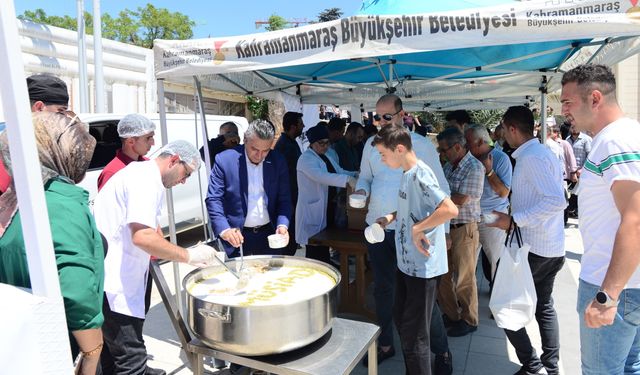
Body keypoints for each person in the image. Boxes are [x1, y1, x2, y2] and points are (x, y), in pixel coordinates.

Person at [94, 140, 220, 375]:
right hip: (114, 286)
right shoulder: (145, 181)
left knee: (112, 356)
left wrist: (175, 249)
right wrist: (188, 255)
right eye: (186, 174)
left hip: (110, 279)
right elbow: (142, 237)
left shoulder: (140, 174)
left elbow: (152, 232)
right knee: (131, 360)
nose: (184, 181)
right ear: (173, 160)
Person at [0, 111, 104, 374]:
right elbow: (75, 287)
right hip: (51, 340)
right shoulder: (59, 203)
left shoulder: (13, 198)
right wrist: (92, 353)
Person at [354, 94, 450, 366]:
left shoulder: (419, 146)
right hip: (379, 227)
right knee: (384, 290)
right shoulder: (370, 146)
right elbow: (366, 176)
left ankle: (441, 351)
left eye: (387, 117)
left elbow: (441, 192)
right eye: (376, 117)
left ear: (401, 115)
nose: (381, 122)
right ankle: (386, 344)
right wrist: (362, 189)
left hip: (412, 234)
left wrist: (442, 233)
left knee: (419, 299)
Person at [560, 64, 640, 374]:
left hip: (614, 286)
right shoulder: (623, 135)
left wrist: (607, 295)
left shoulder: (615, 141)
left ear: (595, 98)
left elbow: (634, 220)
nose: (563, 110)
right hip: (626, 285)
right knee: (629, 367)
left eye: (568, 101)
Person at [372, 124, 458, 375]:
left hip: (423, 267)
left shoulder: (421, 174)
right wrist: (390, 217)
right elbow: (414, 208)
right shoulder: (407, 173)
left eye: (383, 154)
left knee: (415, 335)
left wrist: (418, 228)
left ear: (399, 149)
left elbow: (449, 209)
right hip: (406, 263)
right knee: (403, 322)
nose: (381, 159)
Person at [488, 106, 566, 375]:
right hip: (548, 246)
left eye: (503, 130)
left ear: (512, 129)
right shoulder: (538, 152)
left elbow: (557, 200)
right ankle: (549, 367)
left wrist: (515, 220)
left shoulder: (532, 157)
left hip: (535, 248)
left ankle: (534, 366)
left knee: (503, 305)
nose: (502, 136)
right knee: (544, 307)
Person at [206, 119, 291, 257]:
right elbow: (214, 199)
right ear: (245, 139)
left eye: (265, 151)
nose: (259, 155)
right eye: (254, 149)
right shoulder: (225, 160)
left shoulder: (278, 161)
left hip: (269, 235)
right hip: (235, 236)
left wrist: (282, 225)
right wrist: (224, 230)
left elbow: (284, 198)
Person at [436, 127, 484, 337]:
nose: (442, 154)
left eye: (445, 150)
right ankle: (451, 315)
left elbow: (459, 199)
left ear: (457, 147)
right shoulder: (449, 166)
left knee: (464, 277)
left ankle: (469, 319)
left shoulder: (474, 167)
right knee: (444, 276)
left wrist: (436, 200)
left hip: (464, 229)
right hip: (446, 227)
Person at [295, 124, 356, 264]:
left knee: (323, 245)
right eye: (320, 143)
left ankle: (326, 266)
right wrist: (348, 180)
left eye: (327, 142)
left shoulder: (326, 155)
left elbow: (338, 171)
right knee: (314, 248)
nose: (325, 146)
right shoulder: (306, 159)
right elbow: (321, 176)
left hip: (328, 206)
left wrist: (355, 174)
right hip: (312, 209)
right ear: (311, 143)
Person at [0, 74, 70, 194]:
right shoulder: (10, 152)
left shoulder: (43, 147)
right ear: (39, 107)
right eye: (61, 111)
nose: (64, 118)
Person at [464, 125, 512, 281]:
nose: (465, 145)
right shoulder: (467, 159)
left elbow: (504, 193)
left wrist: (489, 171)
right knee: (467, 264)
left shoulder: (500, 159)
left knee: (495, 263)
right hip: (471, 217)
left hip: (493, 217)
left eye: (468, 142)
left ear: (479, 142)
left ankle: (498, 298)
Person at [97, 114, 156, 190]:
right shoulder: (112, 173)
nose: (153, 143)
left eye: (152, 137)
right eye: (148, 138)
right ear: (130, 141)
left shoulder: (149, 164)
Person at [274, 112, 304, 256]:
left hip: (293, 196)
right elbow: (283, 177)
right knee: (287, 241)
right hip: (289, 198)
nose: (303, 126)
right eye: (300, 123)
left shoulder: (291, 143)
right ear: (293, 127)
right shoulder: (285, 146)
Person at [566, 122, 592, 217]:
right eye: (572, 127)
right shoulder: (567, 140)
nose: (573, 129)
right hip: (570, 171)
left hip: (581, 171)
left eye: (575, 127)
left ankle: (577, 210)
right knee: (571, 192)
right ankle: (571, 210)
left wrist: (582, 169)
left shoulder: (586, 139)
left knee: (580, 193)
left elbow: (589, 155)